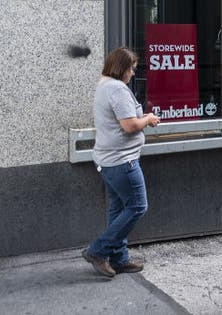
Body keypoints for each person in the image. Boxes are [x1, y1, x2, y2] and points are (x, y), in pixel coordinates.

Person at [82, 47, 161, 279]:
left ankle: (119, 258)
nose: (133, 73)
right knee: (138, 206)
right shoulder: (116, 89)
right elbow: (129, 126)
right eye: (131, 68)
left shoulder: (103, 85)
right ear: (121, 68)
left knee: (118, 211)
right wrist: (147, 119)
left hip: (108, 160)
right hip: (122, 161)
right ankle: (97, 251)